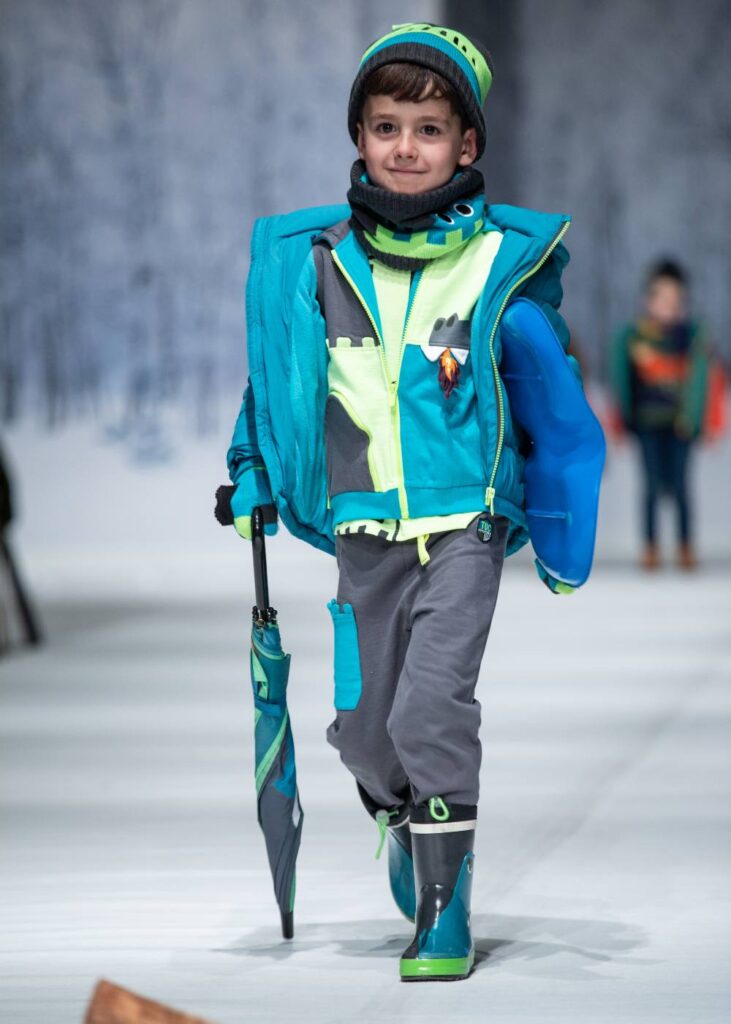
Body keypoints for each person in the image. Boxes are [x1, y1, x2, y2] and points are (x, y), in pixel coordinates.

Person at [226, 22, 580, 981]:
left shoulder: (494, 265)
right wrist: (250, 469)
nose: (404, 147)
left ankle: (442, 902)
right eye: (385, 127)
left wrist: (556, 523)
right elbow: (278, 389)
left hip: (463, 520)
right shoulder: (324, 266)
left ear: (466, 146)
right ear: (360, 138)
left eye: (427, 129)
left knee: (431, 705)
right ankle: (402, 816)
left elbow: (549, 404)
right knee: (363, 731)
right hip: (363, 527)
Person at [610, 259, 710, 570]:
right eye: (662, 297)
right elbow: (621, 376)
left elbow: (701, 379)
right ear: (649, 299)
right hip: (647, 421)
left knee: (680, 485)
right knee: (651, 485)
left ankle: (685, 545)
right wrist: (624, 415)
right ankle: (650, 546)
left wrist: (695, 418)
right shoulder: (634, 335)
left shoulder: (691, 335)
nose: (669, 304)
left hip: (679, 423)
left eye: (675, 298)